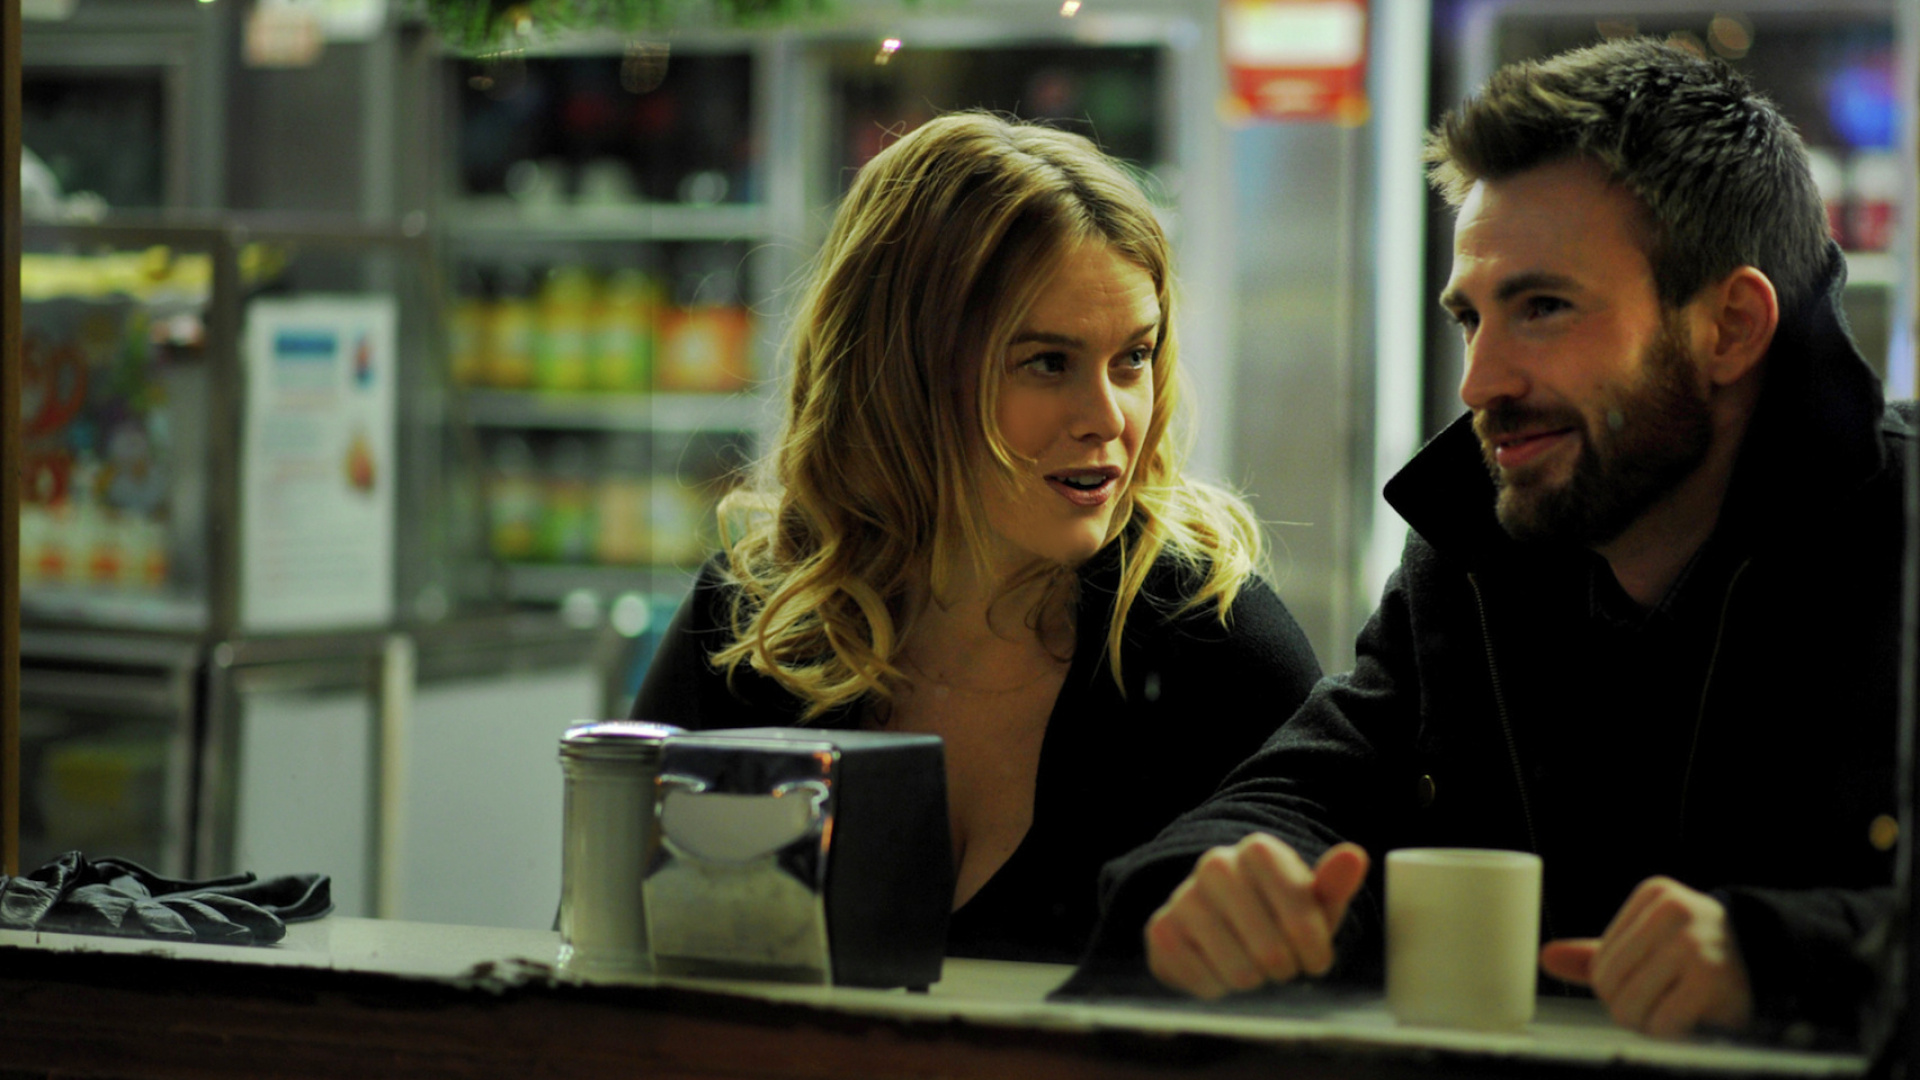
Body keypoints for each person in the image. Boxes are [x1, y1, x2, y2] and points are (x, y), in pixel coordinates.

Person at [1064, 38, 1913, 1045]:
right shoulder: (1479, 548)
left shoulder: (1900, 541)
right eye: (1471, 317)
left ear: (1729, 326)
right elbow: (1315, 788)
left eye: (1543, 308)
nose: (1481, 382)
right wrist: (1226, 882)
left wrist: (1780, 959)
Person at [630, 112, 1324, 964]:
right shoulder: (754, 626)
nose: (1107, 418)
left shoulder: (1215, 648)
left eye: (1133, 358)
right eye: (1047, 362)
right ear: (901, 376)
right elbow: (611, 963)